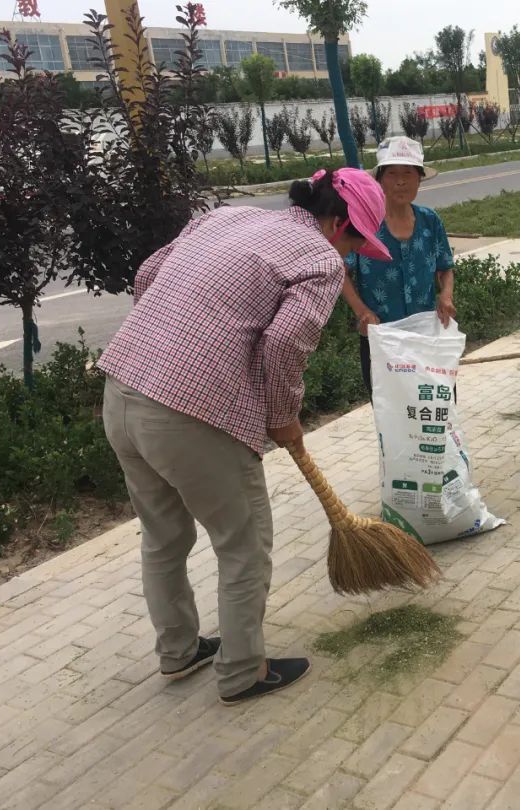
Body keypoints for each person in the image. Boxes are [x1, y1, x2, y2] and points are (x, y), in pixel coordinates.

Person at [99, 169, 390, 706]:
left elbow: (148, 274)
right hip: (191, 414)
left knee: (163, 539)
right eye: (354, 241)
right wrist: (283, 415)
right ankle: (241, 672)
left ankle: (179, 652)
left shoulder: (229, 217)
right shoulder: (319, 259)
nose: (350, 255)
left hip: (121, 391)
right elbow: (283, 344)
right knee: (245, 546)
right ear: (338, 222)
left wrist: (171, 337)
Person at [341, 136, 456, 396]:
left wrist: (446, 294)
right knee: (392, 417)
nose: (400, 181)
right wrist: (362, 312)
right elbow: (341, 273)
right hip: (381, 338)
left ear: (419, 179)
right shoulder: (365, 224)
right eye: (392, 174)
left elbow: (445, 266)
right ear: (380, 180)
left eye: (408, 173)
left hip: (426, 335)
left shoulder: (430, 221)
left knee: (435, 412)